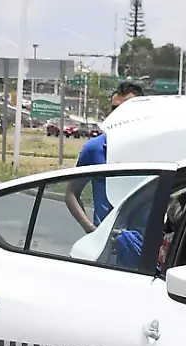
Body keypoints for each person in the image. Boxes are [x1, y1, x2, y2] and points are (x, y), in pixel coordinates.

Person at [64, 81, 144, 234]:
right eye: (114, 109)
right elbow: (71, 193)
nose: (118, 114)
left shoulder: (154, 147)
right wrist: (93, 231)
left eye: (125, 108)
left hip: (147, 243)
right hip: (108, 244)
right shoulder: (95, 149)